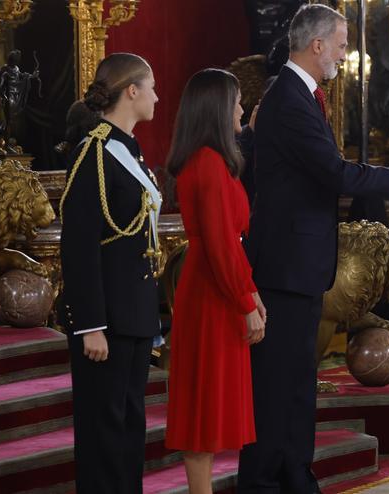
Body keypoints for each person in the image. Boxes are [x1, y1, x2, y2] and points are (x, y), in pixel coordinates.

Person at [237, 4, 389, 493]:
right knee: (278, 384)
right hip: (285, 266)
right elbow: (333, 171)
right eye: (342, 44)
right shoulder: (287, 98)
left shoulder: (302, 96)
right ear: (317, 44)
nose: (346, 54)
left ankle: (294, 473)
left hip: (299, 265)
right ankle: (264, 481)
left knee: (297, 382)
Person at [59, 52, 161, 494]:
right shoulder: (94, 153)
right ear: (131, 91)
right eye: (151, 86)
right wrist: (91, 325)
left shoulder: (127, 152)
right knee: (104, 434)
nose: (158, 96)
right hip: (107, 323)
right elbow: (79, 247)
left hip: (134, 315)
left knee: (129, 430)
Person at [164, 68, 265, 494]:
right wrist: (245, 300)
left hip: (217, 286)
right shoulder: (206, 163)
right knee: (202, 410)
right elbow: (222, 246)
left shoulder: (214, 159)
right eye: (237, 100)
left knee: (210, 405)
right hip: (211, 293)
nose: (241, 107)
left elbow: (230, 244)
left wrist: (251, 293)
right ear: (217, 107)